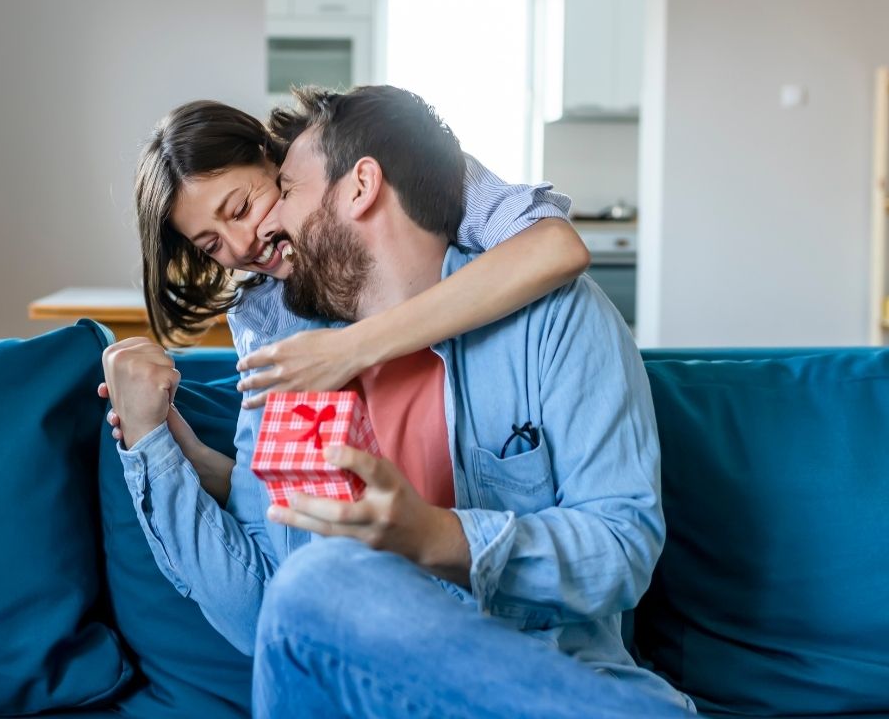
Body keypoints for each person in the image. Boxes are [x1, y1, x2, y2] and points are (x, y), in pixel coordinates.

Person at [102, 86, 693, 717]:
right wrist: (154, 445)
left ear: (359, 187)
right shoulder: (285, 351)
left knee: (318, 584)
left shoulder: (549, 316)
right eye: (213, 244)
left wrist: (435, 535)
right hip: (365, 693)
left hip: (546, 673)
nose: (256, 239)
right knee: (310, 586)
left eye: (275, 193)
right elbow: (267, 613)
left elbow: (622, 548)